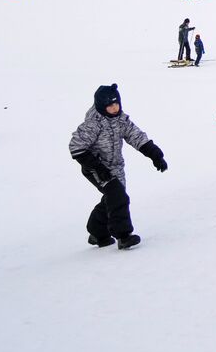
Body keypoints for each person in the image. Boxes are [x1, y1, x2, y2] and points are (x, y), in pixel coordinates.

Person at [68, 84, 166, 250]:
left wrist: (155, 155)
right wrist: (97, 167)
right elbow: (76, 147)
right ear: (101, 106)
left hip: (115, 166)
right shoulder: (93, 124)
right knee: (118, 197)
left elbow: (136, 136)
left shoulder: (121, 120)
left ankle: (97, 231)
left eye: (116, 104)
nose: (114, 108)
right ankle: (124, 235)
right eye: (109, 105)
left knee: (112, 199)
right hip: (96, 167)